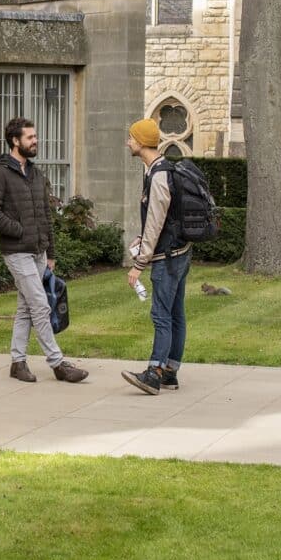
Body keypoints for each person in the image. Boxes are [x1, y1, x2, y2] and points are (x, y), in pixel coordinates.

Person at [0, 117, 89, 384]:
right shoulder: (0, 173)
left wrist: (50, 252)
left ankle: (18, 363)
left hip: (39, 252)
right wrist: (18, 230)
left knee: (27, 309)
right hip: (16, 251)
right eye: (30, 137)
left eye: (35, 136)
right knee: (40, 306)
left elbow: (45, 216)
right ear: (15, 141)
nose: (35, 141)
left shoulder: (36, 174)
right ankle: (57, 363)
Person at [121, 118, 191, 395]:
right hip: (180, 251)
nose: (128, 143)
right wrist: (145, 239)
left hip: (167, 256)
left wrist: (139, 264)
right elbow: (162, 220)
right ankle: (170, 371)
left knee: (161, 315)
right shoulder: (164, 169)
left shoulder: (158, 174)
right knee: (176, 313)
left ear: (140, 142)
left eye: (130, 138)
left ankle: (153, 373)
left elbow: (155, 221)